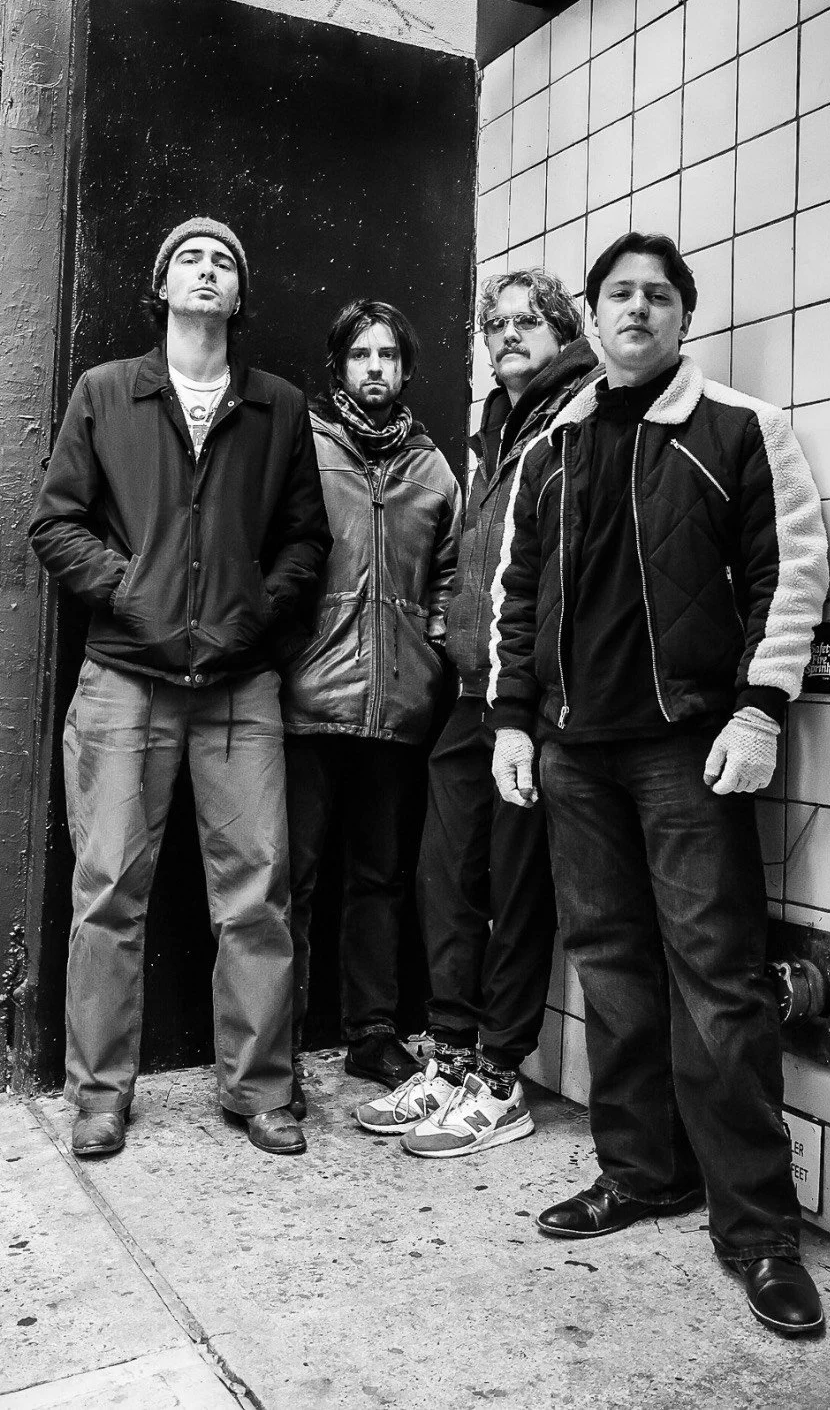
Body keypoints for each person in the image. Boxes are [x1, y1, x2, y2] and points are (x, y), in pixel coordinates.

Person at [487, 232, 830, 1337]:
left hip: (688, 746)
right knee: (616, 974)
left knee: (718, 982)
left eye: (658, 294)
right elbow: (516, 589)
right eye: (618, 294)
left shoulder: (737, 428)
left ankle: (759, 1229)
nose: (636, 308)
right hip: (575, 751)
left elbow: (792, 573)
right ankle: (642, 1174)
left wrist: (758, 707)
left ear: (684, 315)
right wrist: (511, 719)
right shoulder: (555, 444)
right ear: (591, 317)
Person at [29, 218, 331, 1160]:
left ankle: (260, 1090)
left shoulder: (276, 405)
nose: (209, 271)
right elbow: (54, 522)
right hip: (125, 676)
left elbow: (306, 540)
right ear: (162, 287)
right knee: (109, 890)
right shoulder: (107, 392)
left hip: (240, 686)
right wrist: (131, 589)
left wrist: (249, 611)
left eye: (227, 262)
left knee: (256, 893)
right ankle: (100, 1095)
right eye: (191, 260)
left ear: (240, 298)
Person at [354, 270, 600, 1154]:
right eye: (493, 323)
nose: (505, 334)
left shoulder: (584, 413)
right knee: (445, 877)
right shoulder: (498, 431)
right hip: (469, 690)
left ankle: (501, 1075)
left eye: (525, 320)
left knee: (514, 886)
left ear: (564, 329)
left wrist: (524, 700)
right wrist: (444, 619)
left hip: (528, 700)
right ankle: (450, 1052)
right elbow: (476, 558)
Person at [281, 299, 462, 1093]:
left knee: (380, 877)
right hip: (309, 699)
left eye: (390, 355)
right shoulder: (303, 448)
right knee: (290, 877)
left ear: (407, 370)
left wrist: (433, 644)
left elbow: (452, 577)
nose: (377, 368)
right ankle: (272, 1042)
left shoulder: (433, 468)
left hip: (398, 706)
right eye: (362, 355)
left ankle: (371, 1033)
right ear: (339, 367)